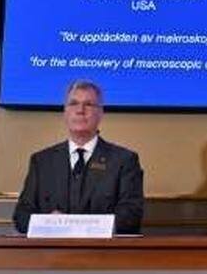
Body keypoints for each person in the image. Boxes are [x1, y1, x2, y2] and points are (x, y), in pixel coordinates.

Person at [13, 80, 144, 234]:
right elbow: (21, 216)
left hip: (102, 248)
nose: (80, 110)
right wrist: (48, 222)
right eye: (73, 103)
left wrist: (81, 227)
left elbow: (131, 216)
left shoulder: (124, 160)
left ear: (100, 113)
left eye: (88, 104)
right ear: (65, 112)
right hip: (52, 248)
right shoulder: (42, 161)